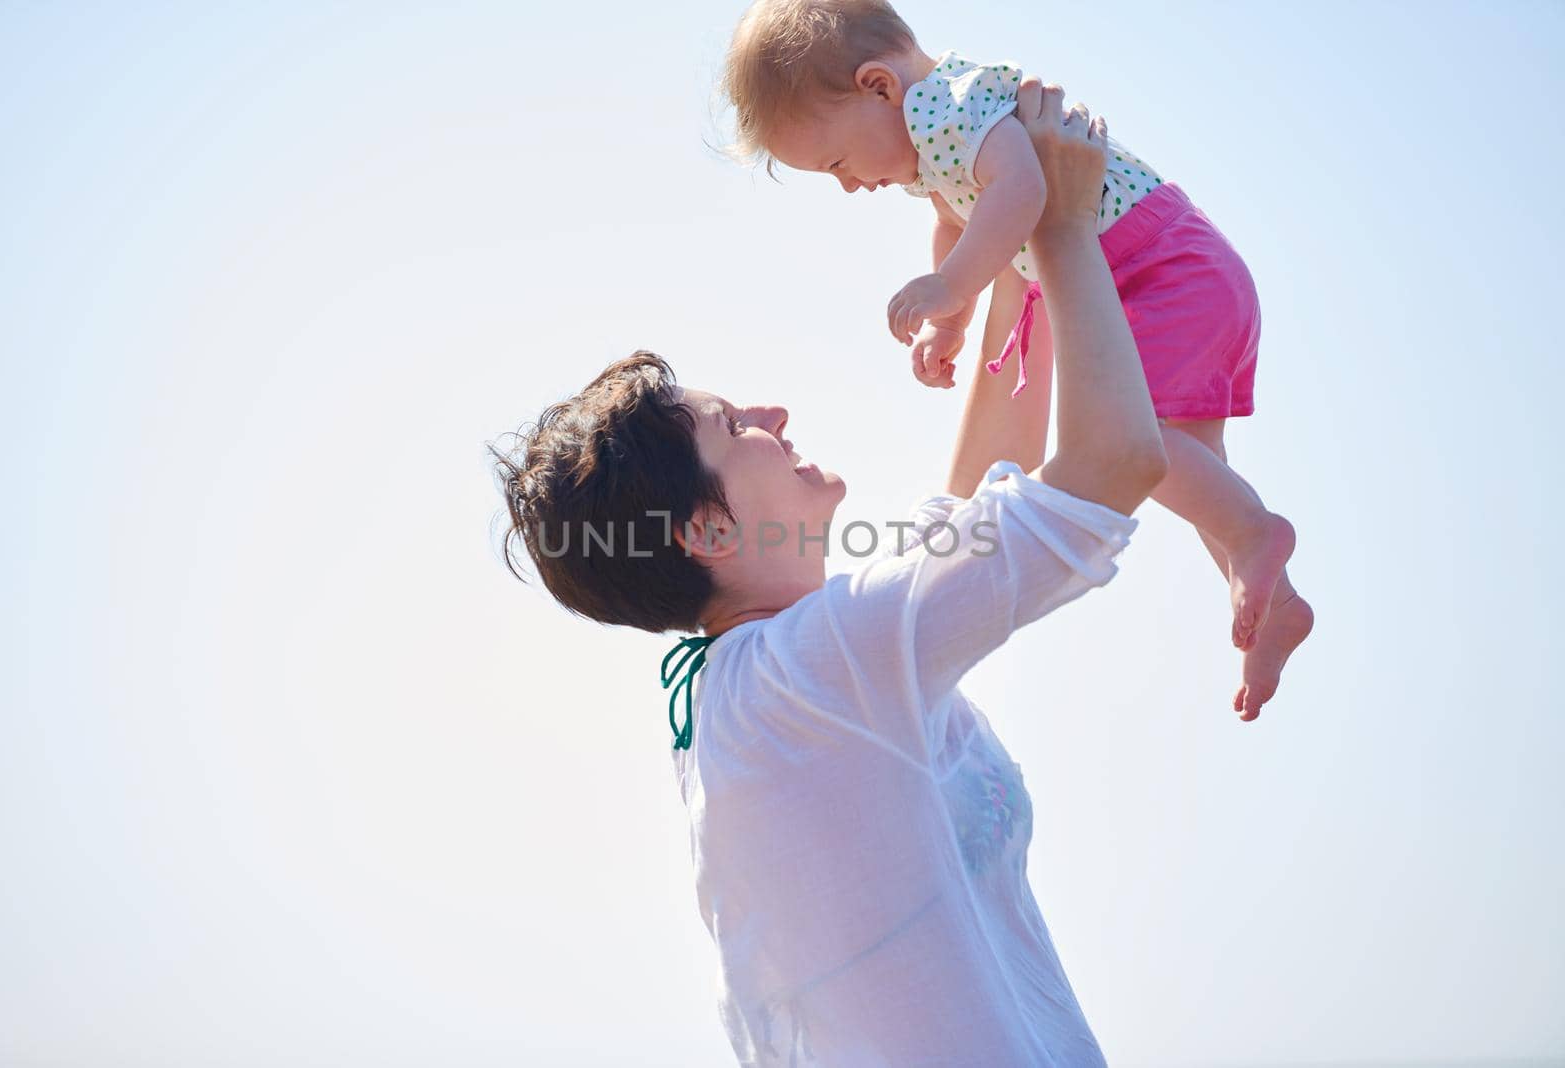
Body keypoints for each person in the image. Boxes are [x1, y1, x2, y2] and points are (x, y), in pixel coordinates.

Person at [496, 84, 1161, 1066]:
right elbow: (1111, 467)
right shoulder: (804, 674)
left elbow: (980, 505)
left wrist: (1010, 263)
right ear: (705, 531)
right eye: (734, 429)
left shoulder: (772, 681)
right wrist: (1063, 228)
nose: (771, 414)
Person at [720, 0, 1312, 719]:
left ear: (877, 85)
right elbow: (958, 220)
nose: (848, 185)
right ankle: (1269, 601)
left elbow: (1024, 191)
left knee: (1148, 442)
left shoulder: (949, 106)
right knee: (1195, 467)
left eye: (837, 162)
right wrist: (952, 319)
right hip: (1168, 270)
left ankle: (1256, 533)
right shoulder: (930, 145)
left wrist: (950, 284)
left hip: (1158, 269)